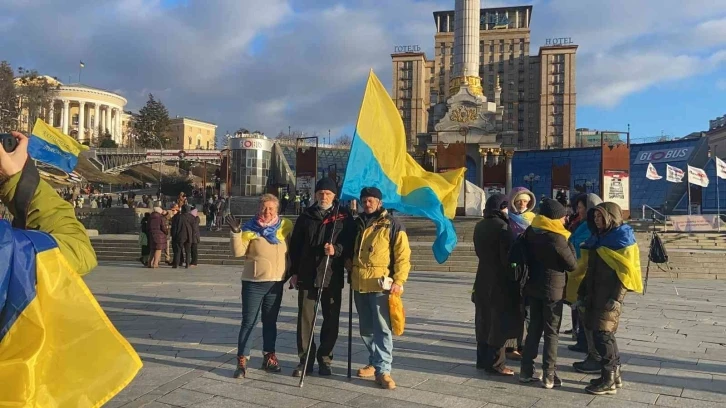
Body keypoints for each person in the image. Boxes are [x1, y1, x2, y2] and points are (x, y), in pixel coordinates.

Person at [288, 178, 355, 377]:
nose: (324, 196)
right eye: (320, 193)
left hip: (331, 274)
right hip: (308, 274)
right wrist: (294, 272)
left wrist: (337, 250)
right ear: (315, 194)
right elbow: (295, 246)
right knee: (305, 319)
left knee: (331, 319)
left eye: (328, 193)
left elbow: (351, 243)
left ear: (334, 195)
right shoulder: (306, 216)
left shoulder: (344, 216)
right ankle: (305, 360)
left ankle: (325, 358)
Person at [348, 187, 410, 390]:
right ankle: (375, 361)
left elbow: (402, 256)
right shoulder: (357, 223)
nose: (367, 204)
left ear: (379, 202)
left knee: (382, 329)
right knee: (366, 328)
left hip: (381, 284)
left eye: (371, 200)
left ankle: (383, 370)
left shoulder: (392, 224)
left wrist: (399, 281)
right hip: (359, 283)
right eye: (364, 200)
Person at [227, 194, 293, 378]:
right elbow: (238, 252)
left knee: (270, 322)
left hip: (276, 283)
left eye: (271, 208)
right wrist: (236, 233)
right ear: (259, 209)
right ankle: (242, 360)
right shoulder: (249, 228)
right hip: (253, 283)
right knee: (249, 322)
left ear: (277, 210)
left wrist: (292, 272)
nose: (267, 212)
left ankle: (269, 356)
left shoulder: (285, 226)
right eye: (264, 208)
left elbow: (291, 251)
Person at [580, 202, 641, 395]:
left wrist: (616, 299)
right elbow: (591, 269)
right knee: (601, 334)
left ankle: (608, 380)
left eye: (600, 217)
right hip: (595, 293)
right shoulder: (599, 238)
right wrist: (582, 292)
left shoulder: (622, 239)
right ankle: (613, 375)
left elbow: (626, 273)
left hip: (608, 296)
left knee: (604, 335)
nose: (597, 220)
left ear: (611, 217)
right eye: (595, 217)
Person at [519, 199, 578, 389]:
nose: (565, 220)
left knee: (534, 328)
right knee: (552, 332)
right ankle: (549, 374)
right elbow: (572, 265)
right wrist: (569, 241)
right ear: (555, 217)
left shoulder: (531, 231)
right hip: (553, 291)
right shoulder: (557, 237)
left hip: (533, 286)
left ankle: (526, 370)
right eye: (563, 216)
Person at [472, 194, 520, 376]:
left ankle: (481, 360)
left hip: (482, 277)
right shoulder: (503, 227)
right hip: (499, 280)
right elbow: (507, 258)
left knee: (483, 320)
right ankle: (496, 364)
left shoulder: (479, 225)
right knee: (498, 322)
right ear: (501, 208)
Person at [566, 193, 604, 375]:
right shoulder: (581, 223)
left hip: (587, 274)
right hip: (580, 271)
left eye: (582, 207)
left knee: (594, 321)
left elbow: (581, 246)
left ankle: (599, 360)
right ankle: (588, 348)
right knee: (580, 309)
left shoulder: (594, 229)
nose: (578, 210)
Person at [504, 186, 536, 360]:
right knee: (514, 309)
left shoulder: (533, 219)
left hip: (530, 269)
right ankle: (511, 346)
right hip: (514, 267)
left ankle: (526, 345)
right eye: (519, 201)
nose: (522, 204)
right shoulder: (507, 219)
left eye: (525, 201)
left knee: (529, 312)